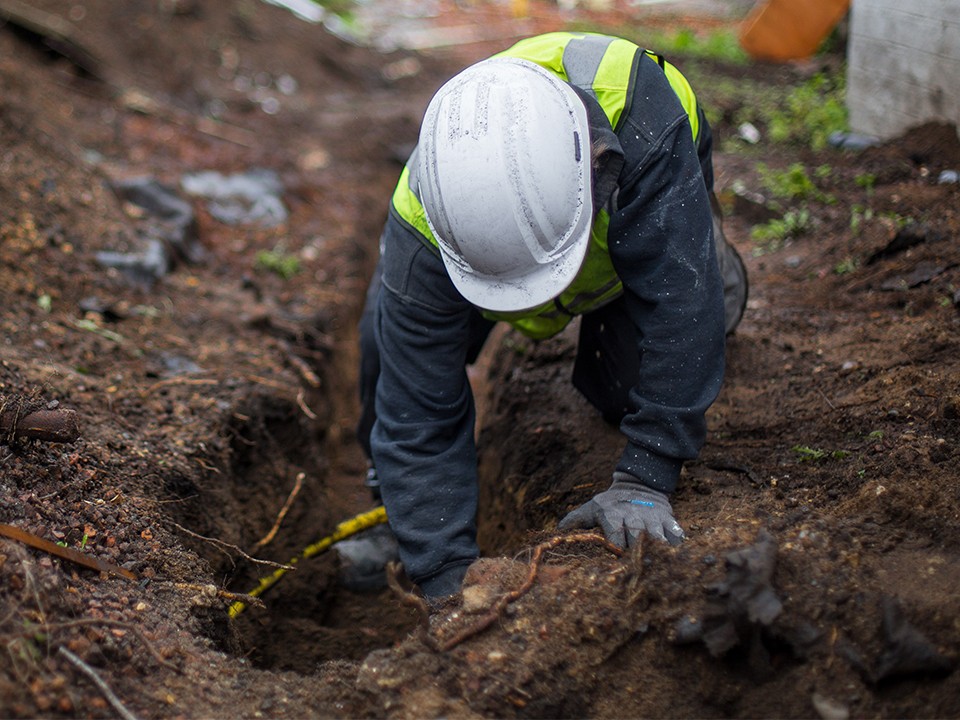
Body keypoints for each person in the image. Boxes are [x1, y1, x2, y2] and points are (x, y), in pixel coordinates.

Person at [337, 31, 748, 600]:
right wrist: (445, 581)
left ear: (598, 172)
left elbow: (681, 307)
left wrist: (646, 475)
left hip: (643, 213)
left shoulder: (644, 119)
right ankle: (397, 515)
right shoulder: (426, 214)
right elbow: (415, 414)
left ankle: (708, 253)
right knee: (387, 351)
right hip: (491, 241)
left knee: (657, 351)